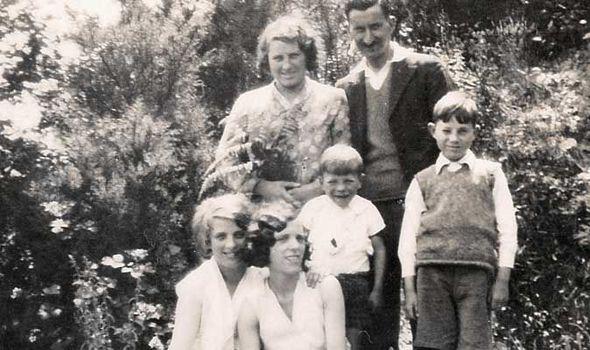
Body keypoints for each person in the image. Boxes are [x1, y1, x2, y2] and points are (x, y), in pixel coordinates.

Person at [336, 1, 454, 347]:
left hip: (420, 205)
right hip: (369, 211)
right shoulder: (347, 86)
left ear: (391, 25)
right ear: (350, 31)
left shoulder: (426, 70)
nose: (368, 37)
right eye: (359, 30)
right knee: (375, 310)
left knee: (427, 306)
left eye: (375, 27)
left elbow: (455, 131)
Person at [398, 91, 518, 349]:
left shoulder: (491, 174)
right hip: (431, 275)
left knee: (474, 344)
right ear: (433, 130)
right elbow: (407, 239)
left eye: (462, 131)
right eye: (447, 130)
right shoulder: (422, 180)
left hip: (476, 274)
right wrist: (409, 288)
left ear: (474, 132)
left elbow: (508, 230)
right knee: (433, 344)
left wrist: (503, 280)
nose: (454, 138)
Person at [201, 15, 350, 206]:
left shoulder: (333, 99)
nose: (286, 65)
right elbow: (225, 160)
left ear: (307, 56)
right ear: (267, 61)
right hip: (262, 212)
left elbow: (345, 159)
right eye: (278, 58)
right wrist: (262, 187)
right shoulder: (248, 103)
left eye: (294, 55)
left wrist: (316, 189)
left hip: (321, 207)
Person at [298, 144, 386, 349]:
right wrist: (306, 271)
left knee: (354, 330)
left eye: (348, 181)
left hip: (356, 282)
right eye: (333, 182)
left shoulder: (366, 209)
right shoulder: (314, 208)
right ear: (321, 182)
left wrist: (377, 289)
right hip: (321, 281)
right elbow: (300, 241)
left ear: (360, 181)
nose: (341, 188)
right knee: (322, 333)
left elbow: (380, 249)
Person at [238, 201, 346, 350]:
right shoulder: (252, 303)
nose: (295, 246)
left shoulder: (325, 287)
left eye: (300, 239)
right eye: (283, 239)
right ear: (264, 247)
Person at [169, 194, 264, 350]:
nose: (231, 244)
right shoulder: (196, 286)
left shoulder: (260, 280)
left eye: (239, 235)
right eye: (221, 237)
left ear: (249, 236)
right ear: (208, 241)